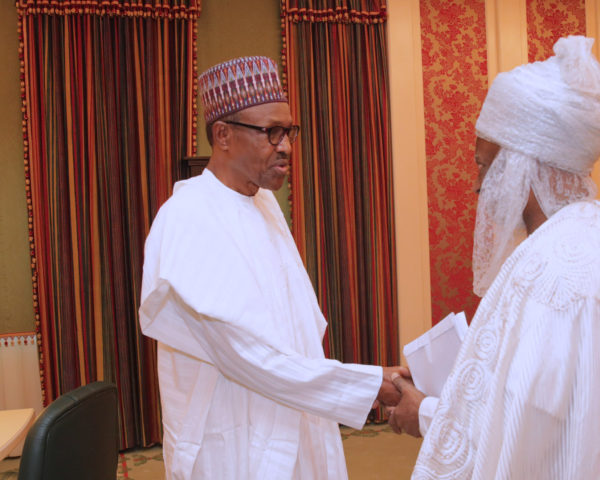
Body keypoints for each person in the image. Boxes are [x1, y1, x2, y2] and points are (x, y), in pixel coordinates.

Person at [388, 36, 600, 479]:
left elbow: (531, 430)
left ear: (522, 168)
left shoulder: (553, 270)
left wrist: (427, 414)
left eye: (485, 166)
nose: (478, 186)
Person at [139, 56, 406, 479]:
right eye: (271, 132)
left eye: (289, 131)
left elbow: (296, 328)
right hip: (233, 442)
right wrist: (368, 384)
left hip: (296, 416)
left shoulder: (263, 203)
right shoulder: (187, 218)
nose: (286, 146)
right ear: (222, 135)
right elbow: (244, 357)